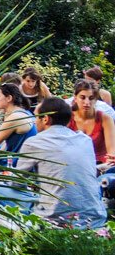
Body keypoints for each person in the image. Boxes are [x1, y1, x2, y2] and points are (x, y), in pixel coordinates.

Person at [15, 97, 107, 228]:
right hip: (94, 217)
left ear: (46, 119)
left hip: (54, 219)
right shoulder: (85, 140)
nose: (35, 122)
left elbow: (17, 183)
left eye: (36, 117)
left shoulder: (34, 142)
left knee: (0, 190)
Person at [67, 79, 115, 166]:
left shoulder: (105, 119)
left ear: (96, 100)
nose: (87, 102)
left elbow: (111, 153)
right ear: (75, 98)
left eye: (91, 98)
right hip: (74, 165)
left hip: (101, 166)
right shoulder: (67, 117)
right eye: (82, 97)